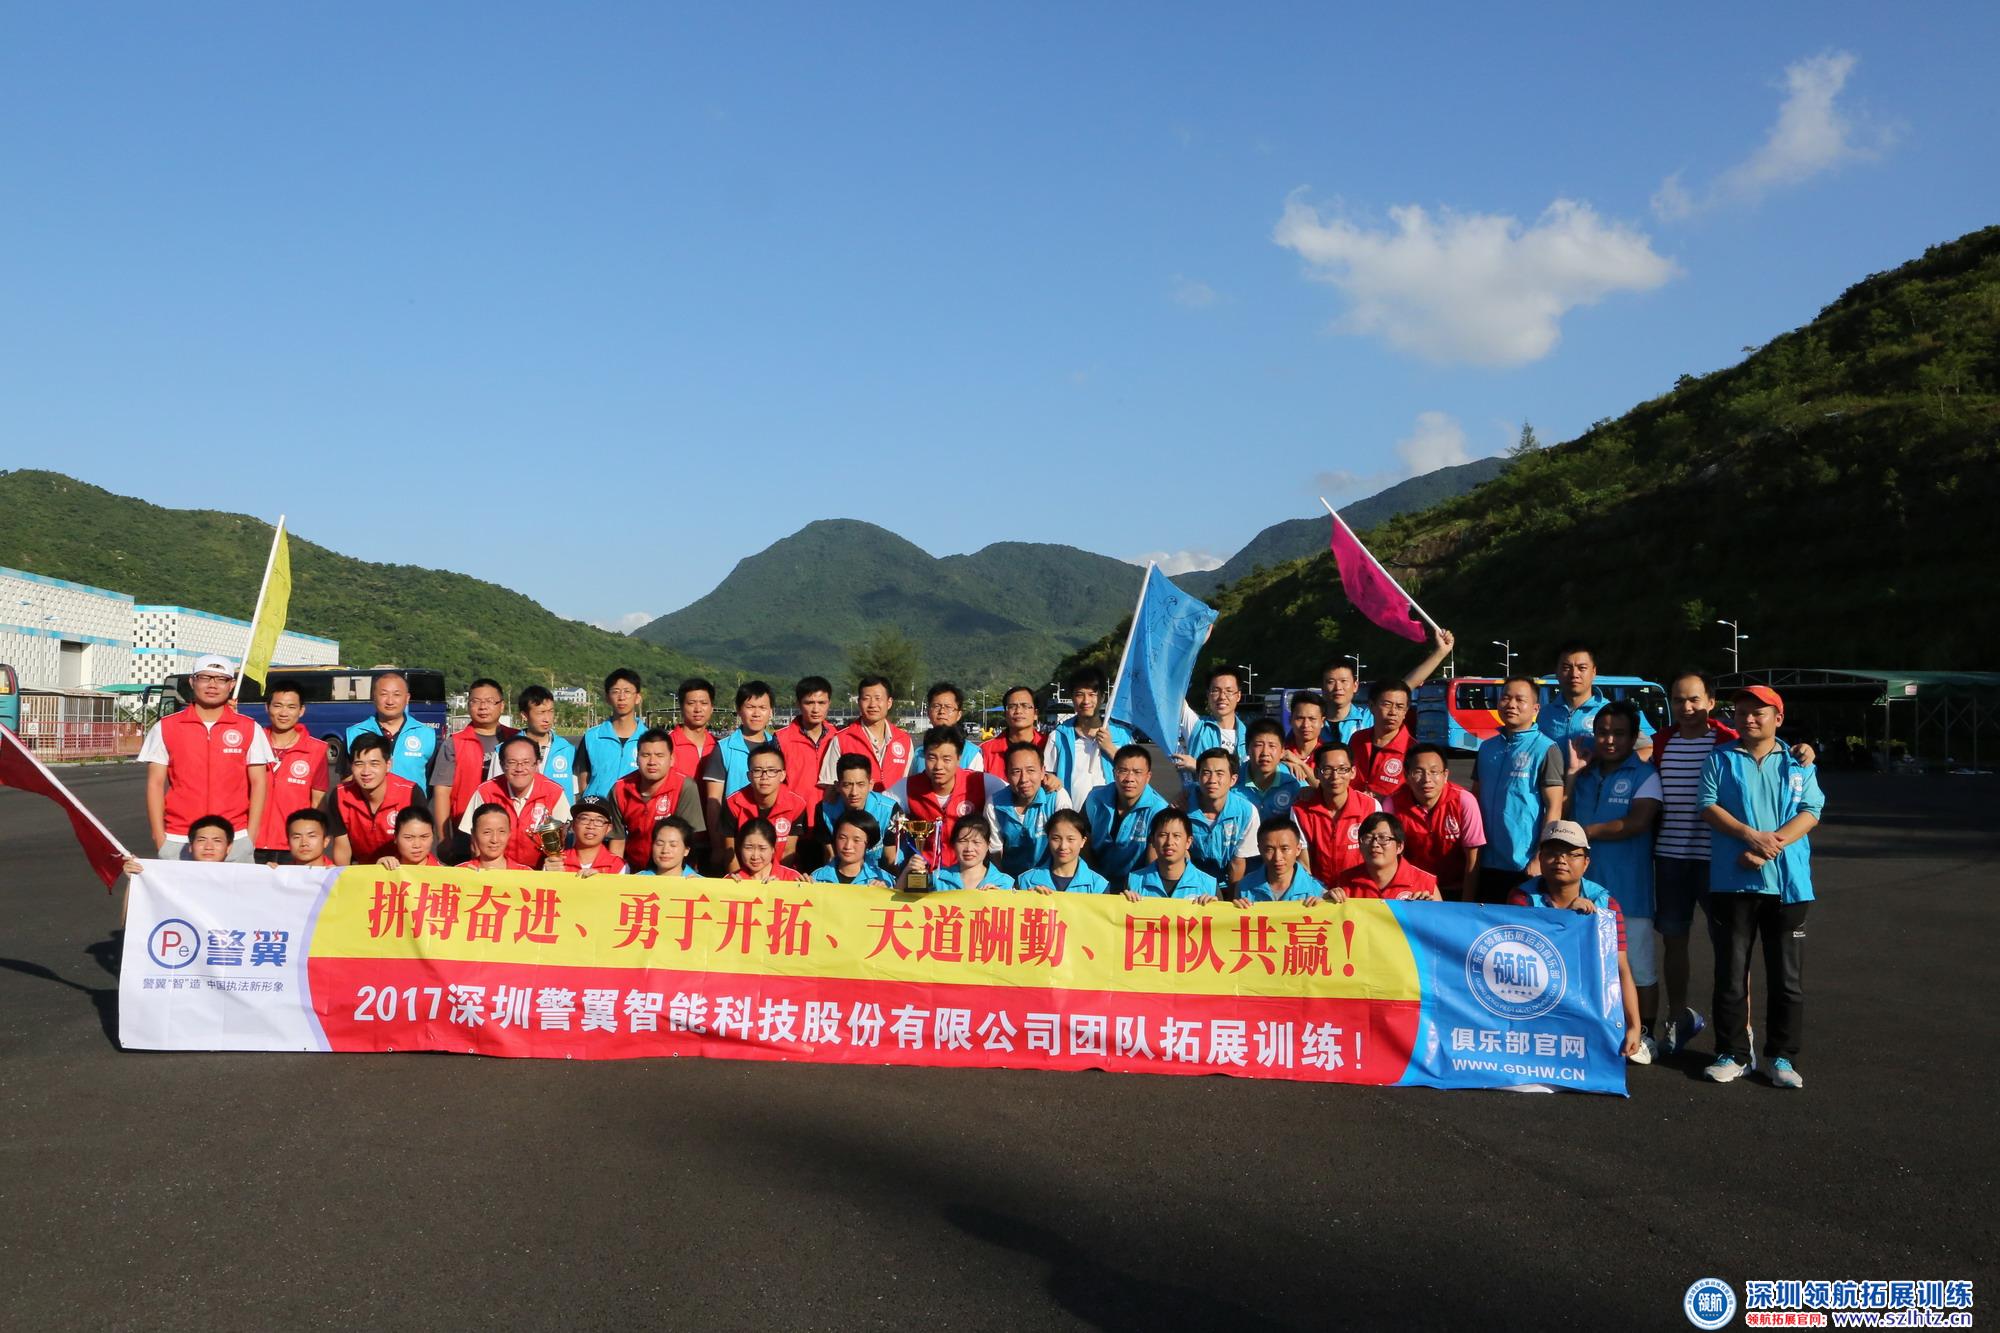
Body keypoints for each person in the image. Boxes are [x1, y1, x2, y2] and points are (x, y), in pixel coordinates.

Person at [1699, 686, 1823, 1090]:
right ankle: (1733, 1053)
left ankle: (1782, 1057)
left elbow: (1811, 810)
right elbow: (1707, 805)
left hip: (1788, 885)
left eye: (1759, 712)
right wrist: (1751, 837)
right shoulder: (1720, 758)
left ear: (1778, 718)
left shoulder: (1798, 761)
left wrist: (1769, 848)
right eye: (1741, 712)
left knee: (1787, 979)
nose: (1749, 719)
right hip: (1733, 882)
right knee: (1731, 975)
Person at [1569, 700, 1663, 1061]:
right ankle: (1596, 1033)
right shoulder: (1585, 774)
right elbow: (1562, 814)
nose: (1610, 740)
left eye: (1619, 734)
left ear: (1634, 736)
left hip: (1629, 891)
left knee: (1639, 970)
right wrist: (1574, 774)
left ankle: (1647, 1033)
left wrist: (1585, 833)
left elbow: (1637, 822)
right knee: (1588, 967)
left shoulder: (1646, 775)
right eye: (1603, 733)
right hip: (1583, 890)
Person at [1507, 820, 1645, 1059]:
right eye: (1552, 853)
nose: (1561, 860)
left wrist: (1634, 1025)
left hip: (1586, 1003)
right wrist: (1568, 920)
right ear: (1540, 858)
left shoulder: (1607, 905)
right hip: (1534, 1001)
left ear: (1586, 863)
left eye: (1572, 854)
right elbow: (1520, 958)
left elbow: (1620, 968)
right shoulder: (1521, 898)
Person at [1651, 670, 1734, 1056]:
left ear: (1711, 702)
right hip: (1670, 858)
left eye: (1694, 699)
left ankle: (1737, 1034)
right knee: (1673, 942)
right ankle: (1676, 1018)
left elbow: (1770, 752)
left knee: (1730, 949)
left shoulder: (1728, 741)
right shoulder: (1661, 742)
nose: (1686, 707)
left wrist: (1803, 752)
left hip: (1717, 862)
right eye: (1679, 700)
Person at [139, 654, 271, 863]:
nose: (212, 685)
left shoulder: (249, 728)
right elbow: (155, 784)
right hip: (179, 837)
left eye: (221, 679)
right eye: (205, 678)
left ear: (231, 685)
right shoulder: (165, 727)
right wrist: (159, 837)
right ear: (192, 682)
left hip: (235, 837)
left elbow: (259, 783)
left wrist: (250, 837)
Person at [1470, 676, 1566, 905]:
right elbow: (1475, 798)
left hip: (1523, 864)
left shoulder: (1546, 748)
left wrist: (1540, 856)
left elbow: (1554, 807)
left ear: (1535, 709)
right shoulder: (1486, 748)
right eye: (1506, 698)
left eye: (1520, 700)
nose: (1511, 704)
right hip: (1484, 860)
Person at [887, 728, 1007, 870]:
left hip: (968, 874)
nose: (938, 766)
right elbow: (877, 807)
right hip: (925, 874)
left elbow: (1014, 799)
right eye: (932, 758)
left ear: (959, 758)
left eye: (947, 759)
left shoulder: (981, 783)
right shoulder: (908, 787)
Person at [1384, 742, 1485, 901]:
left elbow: (1473, 857)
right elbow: (1391, 856)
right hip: (1415, 891)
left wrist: (1466, 904)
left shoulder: (1464, 800)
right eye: (1418, 772)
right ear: (1407, 776)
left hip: (1457, 889)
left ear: (1445, 775)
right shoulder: (1392, 804)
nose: (1427, 779)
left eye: (1434, 772)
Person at [456, 734, 572, 869]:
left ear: (537, 764)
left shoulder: (554, 792)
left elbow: (562, 843)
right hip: (497, 872)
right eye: (512, 762)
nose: (519, 768)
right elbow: (475, 843)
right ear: (502, 765)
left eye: (526, 762)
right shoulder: (486, 792)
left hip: (539, 873)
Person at [252, 677, 329, 864]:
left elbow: (318, 803)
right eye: (277, 706)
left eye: (291, 707)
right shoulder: (253, 742)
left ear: (301, 710)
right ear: (267, 707)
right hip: (251, 842)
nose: (284, 713)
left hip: (293, 846)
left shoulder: (317, 750)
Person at [1539, 642, 1654, 764]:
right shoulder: (1544, 714)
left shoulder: (1612, 712)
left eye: (1582, 668)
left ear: (1593, 672)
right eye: (1566, 667)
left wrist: (1612, 767)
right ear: (1556, 672)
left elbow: (1648, 749)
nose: (1574, 674)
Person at [610, 728, 705, 874]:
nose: (652, 762)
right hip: (634, 871)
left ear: (671, 759)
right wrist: (613, 876)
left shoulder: (685, 786)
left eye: (660, 755)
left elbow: (689, 840)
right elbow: (617, 840)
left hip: (673, 873)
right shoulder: (620, 788)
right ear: (637, 759)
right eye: (645, 755)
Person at [1288, 741, 1378, 886]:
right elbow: (1304, 864)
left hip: (1359, 891)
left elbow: (1377, 857)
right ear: (1316, 773)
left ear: (1353, 772)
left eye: (1342, 769)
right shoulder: (1300, 811)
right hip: (1319, 892)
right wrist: (1321, 892)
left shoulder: (1371, 806)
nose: (1335, 776)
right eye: (1327, 769)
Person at [344, 670, 443, 799]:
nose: (390, 701)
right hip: (367, 808)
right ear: (374, 697)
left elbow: (433, 782)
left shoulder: (426, 734)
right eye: (384, 694)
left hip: (411, 808)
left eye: (397, 694)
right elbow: (346, 779)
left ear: (407, 698)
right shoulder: (354, 733)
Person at [1082, 744, 1169, 891]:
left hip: (1135, 889)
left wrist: (1138, 890)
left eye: (1137, 772)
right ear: (1114, 772)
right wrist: (1094, 881)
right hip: (1096, 883)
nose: (1129, 779)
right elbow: (1082, 840)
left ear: (1148, 777)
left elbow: (1154, 862)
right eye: (1123, 771)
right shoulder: (1095, 798)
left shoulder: (1159, 810)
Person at [328, 733, 423, 866]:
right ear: (351, 766)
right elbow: (342, 850)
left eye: (374, 764)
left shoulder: (411, 793)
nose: (366, 772)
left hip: (402, 868)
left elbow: (419, 846)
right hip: (363, 869)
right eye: (359, 764)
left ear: (388, 765)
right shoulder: (339, 796)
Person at [1043, 666, 1133, 805]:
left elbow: (1137, 774)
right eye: (1079, 694)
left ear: (1103, 697)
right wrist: (1049, 779)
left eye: (1092, 694)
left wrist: (1110, 749)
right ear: (1072, 698)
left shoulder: (1122, 736)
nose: (1086, 701)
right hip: (1071, 814)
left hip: (1112, 814)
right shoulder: (1058, 737)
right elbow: (1047, 776)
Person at [437, 677, 516, 829]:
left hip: (510, 825)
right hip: (465, 826)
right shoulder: (454, 743)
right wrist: (443, 836)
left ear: (502, 706)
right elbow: (442, 792)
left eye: (490, 701)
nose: (483, 707)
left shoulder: (517, 740)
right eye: (476, 701)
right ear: (468, 705)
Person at [701, 680, 779, 832]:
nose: (756, 714)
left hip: (771, 832)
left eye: (762, 708)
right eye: (750, 707)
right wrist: (716, 840)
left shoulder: (777, 746)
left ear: (771, 711)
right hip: (734, 832)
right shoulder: (724, 748)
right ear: (738, 709)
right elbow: (714, 801)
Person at [718, 742, 809, 871]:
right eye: (757, 771)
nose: (764, 777)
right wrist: (741, 881)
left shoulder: (796, 804)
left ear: (782, 775)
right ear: (749, 776)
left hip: (779, 875)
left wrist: (777, 879)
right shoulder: (733, 803)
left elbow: (788, 851)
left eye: (772, 771)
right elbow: (730, 852)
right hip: (743, 874)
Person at [987, 741, 1073, 876]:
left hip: (1049, 879)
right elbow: (994, 851)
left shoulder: (1057, 797)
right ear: (1006, 774)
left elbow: (1067, 847)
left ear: (1043, 771)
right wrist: (1002, 883)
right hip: (1011, 882)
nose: (1024, 779)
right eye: (1016, 772)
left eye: (1031, 770)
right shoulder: (994, 804)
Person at [819, 675, 914, 794]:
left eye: (878, 698)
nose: (872, 704)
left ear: (889, 703)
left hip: (894, 806)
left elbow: (909, 784)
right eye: (866, 698)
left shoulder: (904, 740)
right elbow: (830, 787)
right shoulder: (841, 740)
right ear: (859, 702)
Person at [815, 755, 903, 876]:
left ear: (871, 784)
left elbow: (891, 860)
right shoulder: (824, 810)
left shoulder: (890, 810)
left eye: (861, 784)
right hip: (842, 875)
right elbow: (830, 857)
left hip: (879, 877)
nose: (854, 793)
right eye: (847, 785)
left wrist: (888, 883)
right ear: (838, 786)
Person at [1186, 748, 1259, 888]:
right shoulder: (1182, 808)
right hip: (1191, 884)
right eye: (1206, 773)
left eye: (1220, 774)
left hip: (1227, 886)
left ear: (1233, 780)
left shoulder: (1247, 812)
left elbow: (1237, 863)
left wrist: (1231, 899)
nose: (1212, 780)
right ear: (1198, 776)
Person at [572, 668, 647, 800]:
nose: (622, 697)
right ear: (607, 698)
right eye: (615, 691)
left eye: (627, 691)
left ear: (638, 698)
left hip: (634, 808)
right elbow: (583, 780)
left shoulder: (649, 739)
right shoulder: (592, 737)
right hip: (598, 810)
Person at [1338, 812, 1442, 900]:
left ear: (1399, 847)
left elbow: (1440, 917)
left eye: (1383, 838)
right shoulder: (1344, 882)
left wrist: (1429, 908)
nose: (1375, 844)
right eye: (1368, 838)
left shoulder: (1425, 884)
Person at [1172, 666, 1251, 782]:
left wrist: (1198, 766)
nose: (1222, 697)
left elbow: (1253, 777)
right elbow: (1172, 692)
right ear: (1208, 694)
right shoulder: (1196, 727)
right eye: (1216, 691)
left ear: (1238, 696)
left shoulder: (1249, 737)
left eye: (1229, 691)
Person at [1122, 809, 1221, 901]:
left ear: (1188, 842)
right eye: (1163, 835)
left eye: (1176, 836)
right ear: (1153, 840)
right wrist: (1124, 902)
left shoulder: (1209, 886)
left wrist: (1214, 907)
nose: (1169, 842)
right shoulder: (1134, 882)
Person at [1230, 820, 1335, 905]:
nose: (1277, 857)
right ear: (1260, 850)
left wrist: (1331, 902)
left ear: (1298, 849)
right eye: (1269, 849)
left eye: (1285, 849)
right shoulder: (1244, 887)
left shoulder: (1316, 891)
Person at [1348, 679, 1418, 799]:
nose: (1393, 712)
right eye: (1387, 704)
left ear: (1406, 711)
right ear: (1371, 706)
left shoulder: (1413, 750)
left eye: (1400, 707)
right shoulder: (1357, 739)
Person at [776, 676, 839, 807]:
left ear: (829, 703)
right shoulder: (781, 739)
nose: (816, 709)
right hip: (794, 812)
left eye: (822, 703)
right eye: (809, 703)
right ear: (798, 704)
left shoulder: (838, 737)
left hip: (831, 812)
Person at [1016, 809, 1112, 894]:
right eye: (1056, 838)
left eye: (1070, 839)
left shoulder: (1098, 886)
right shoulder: (1026, 881)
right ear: (1048, 839)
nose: (1063, 846)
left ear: (1083, 841)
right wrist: (1029, 900)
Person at [514, 684, 580, 799]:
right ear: (524, 715)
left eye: (550, 711)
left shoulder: (567, 750)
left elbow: (574, 792)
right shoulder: (506, 750)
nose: (547, 719)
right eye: (541, 712)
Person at [1237, 719, 1305, 822]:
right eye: (1259, 745)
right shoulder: (1232, 780)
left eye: (1272, 746)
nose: (1265, 752)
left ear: (1282, 751)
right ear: (1247, 749)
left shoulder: (1294, 781)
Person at [909, 682, 985, 775]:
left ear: (959, 715)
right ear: (928, 712)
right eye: (936, 706)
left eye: (948, 707)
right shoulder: (918, 753)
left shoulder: (972, 754)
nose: (942, 711)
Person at [809, 811, 896, 886]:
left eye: (856, 840)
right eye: (842, 838)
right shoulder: (817, 878)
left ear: (868, 843)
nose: (848, 846)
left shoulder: (883, 879)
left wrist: (883, 893)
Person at [979, 685, 1047, 780]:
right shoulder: (985, 751)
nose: (1018, 711)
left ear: (1035, 714)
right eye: (1012, 707)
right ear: (1005, 714)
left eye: (1025, 706)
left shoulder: (1049, 745)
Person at [929, 821, 1015, 891]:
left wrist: (999, 898)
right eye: (963, 841)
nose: (969, 848)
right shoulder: (937, 879)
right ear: (954, 844)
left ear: (988, 845)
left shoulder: (1004, 883)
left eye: (976, 842)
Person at [667, 677, 719, 790]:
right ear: (681, 707)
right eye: (691, 703)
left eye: (704, 703)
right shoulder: (666, 745)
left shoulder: (719, 746)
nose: (698, 709)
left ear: (712, 708)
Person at [553, 795, 624, 876]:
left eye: (599, 821)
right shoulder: (556, 862)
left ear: (608, 828)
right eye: (584, 819)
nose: (591, 826)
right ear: (573, 825)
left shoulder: (619, 866)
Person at [461, 803, 537, 871]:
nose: (494, 840)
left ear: (509, 833)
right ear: (473, 834)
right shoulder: (460, 872)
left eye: (501, 831)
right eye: (487, 832)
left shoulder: (525, 873)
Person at [727, 818, 807, 883]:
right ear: (740, 848)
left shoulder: (793, 878)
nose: (755, 856)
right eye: (749, 848)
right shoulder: (731, 880)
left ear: (773, 848)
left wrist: (808, 888)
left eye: (762, 848)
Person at [375, 805, 445, 871]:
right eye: (408, 837)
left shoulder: (444, 874)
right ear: (395, 837)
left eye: (424, 837)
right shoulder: (385, 869)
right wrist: (377, 870)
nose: (417, 845)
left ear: (433, 836)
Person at [1320, 662, 1375, 743]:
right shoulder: (1311, 722)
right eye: (1331, 682)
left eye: (1344, 681)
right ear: (1322, 687)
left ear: (1355, 686)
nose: (1338, 687)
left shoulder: (1371, 718)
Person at [1280, 691, 1326, 782]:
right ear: (1290, 720)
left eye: (1312, 719)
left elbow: (1324, 786)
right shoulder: (1280, 752)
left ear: (1322, 722)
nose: (1306, 725)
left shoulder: (1329, 754)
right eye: (1300, 718)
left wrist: (1299, 763)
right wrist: (1282, 765)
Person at [637, 815, 702, 878]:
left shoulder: (699, 882)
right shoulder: (638, 880)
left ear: (686, 850)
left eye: (673, 845)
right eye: (659, 844)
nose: (665, 850)